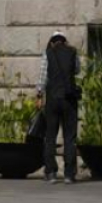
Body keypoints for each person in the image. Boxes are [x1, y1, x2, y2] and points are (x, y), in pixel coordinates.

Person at [35, 31, 81, 184]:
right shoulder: (73, 52)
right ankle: (69, 174)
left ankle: (51, 173)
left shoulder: (48, 53)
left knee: (50, 138)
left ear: (52, 42)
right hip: (69, 100)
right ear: (64, 41)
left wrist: (39, 95)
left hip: (53, 99)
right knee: (70, 138)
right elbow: (77, 70)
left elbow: (42, 77)